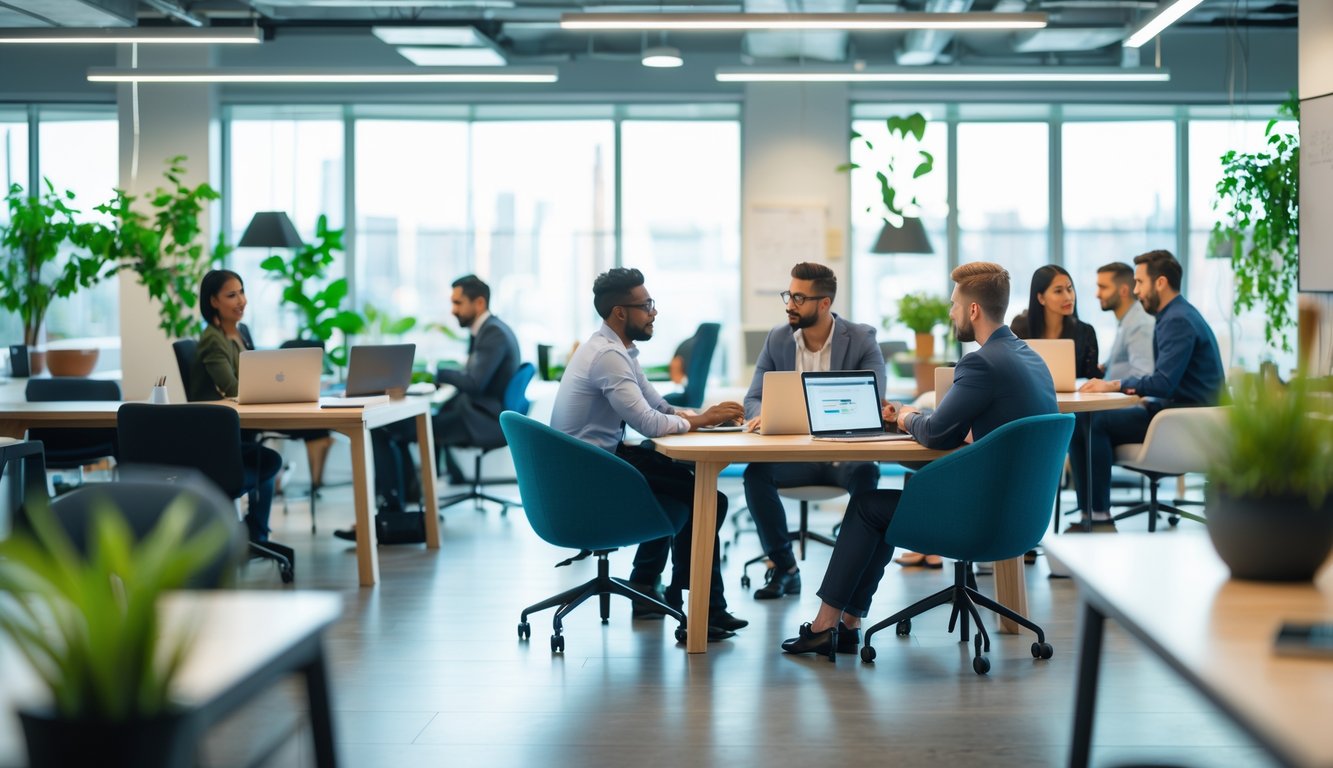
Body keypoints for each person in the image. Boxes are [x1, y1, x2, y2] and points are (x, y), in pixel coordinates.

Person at [781, 261, 1058, 657]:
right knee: (880, 507)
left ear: (973, 310)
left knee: (865, 507)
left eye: (954, 305)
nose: (951, 313)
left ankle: (826, 625)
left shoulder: (980, 363)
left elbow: (935, 433)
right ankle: (847, 622)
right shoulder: (1030, 358)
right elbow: (988, 428)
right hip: (1022, 517)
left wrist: (905, 415)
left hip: (978, 518)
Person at [549, 267, 748, 638]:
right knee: (706, 498)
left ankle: (647, 588)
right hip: (586, 477)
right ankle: (699, 604)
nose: (654, 312)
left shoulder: (618, 351)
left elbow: (660, 407)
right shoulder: (607, 357)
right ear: (620, 313)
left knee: (681, 488)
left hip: (596, 463)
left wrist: (705, 418)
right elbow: (649, 423)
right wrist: (701, 419)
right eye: (646, 305)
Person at [334, 274, 520, 542]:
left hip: (479, 420)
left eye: (458, 303)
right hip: (478, 413)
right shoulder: (489, 329)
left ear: (479, 303)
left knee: (384, 429)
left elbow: (475, 382)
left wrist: (438, 371)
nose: (453, 309)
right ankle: (401, 508)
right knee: (397, 428)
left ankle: (394, 514)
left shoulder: (493, 333)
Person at [741, 262, 884, 599]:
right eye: (789, 295)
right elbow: (753, 397)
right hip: (795, 457)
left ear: (824, 303)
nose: (790, 304)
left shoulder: (862, 338)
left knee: (867, 476)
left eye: (799, 297)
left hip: (844, 456)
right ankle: (784, 567)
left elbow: (874, 396)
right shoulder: (778, 338)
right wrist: (763, 416)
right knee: (755, 476)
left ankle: (846, 578)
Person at [1074, 250, 1224, 529]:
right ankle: (1090, 514)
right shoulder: (1178, 314)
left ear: (1161, 283)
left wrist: (1115, 384)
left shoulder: (1176, 319)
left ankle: (1098, 516)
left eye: (1140, 282)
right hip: (1184, 412)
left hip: (1187, 420)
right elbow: (1171, 383)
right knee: (1083, 419)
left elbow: (1163, 382)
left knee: (1095, 421)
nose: (1135, 290)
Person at [188, 269, 288, 557]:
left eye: (242, 292)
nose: (241, 300)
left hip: (236, 429)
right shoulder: (213, 340)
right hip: (213, 438)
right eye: (232, 295)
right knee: (268, 460)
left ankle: (255, 533)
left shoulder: (241, 333)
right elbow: (231, 386)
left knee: (266, 458)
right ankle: (254, 534)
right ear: (213, 302)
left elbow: (252, 376)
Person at [1011, 264, 1100, 380]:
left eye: (1069, 288)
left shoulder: (1085, 331)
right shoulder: (1020, 328)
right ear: (1041, 298)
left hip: (1075, 397)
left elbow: (1091, 379)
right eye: (1058, 291)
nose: (1068, 297)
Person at [1094, 261, 1155, 381]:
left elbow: (1143, 375)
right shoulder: (1127, 320)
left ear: (1124, 291)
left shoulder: (1140, 324)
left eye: (1103, 287)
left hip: (1128, 399)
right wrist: (1105, 367)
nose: (1097, 294)